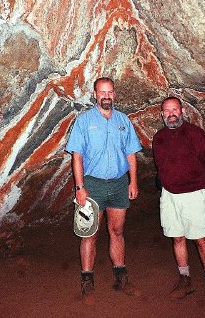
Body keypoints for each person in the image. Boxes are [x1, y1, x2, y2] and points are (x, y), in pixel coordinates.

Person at [65, 77, 142, 304]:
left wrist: (133, 181)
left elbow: (131, 154)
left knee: (117, 231)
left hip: (119, 183)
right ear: (95, 94)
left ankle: (121, 277)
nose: (106, 96)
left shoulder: (123, 121)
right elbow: (77, 156)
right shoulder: (84, 121)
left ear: (114, 94)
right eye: (102, 92)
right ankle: (87, 281)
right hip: (93, 184)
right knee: (90, 233)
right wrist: (80, 187)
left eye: (109, 92)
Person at [151, 96, 205, 306]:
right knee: (177, 238)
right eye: (167, 110)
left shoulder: (196, 134)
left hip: (193, 194)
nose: (171, 114)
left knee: (201, 240)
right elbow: (160, 165)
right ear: (162, 114)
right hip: (169, 195)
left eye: (175, 109)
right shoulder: (159, 138)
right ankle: (185, 279)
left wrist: (199, 181)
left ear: (182, 111)